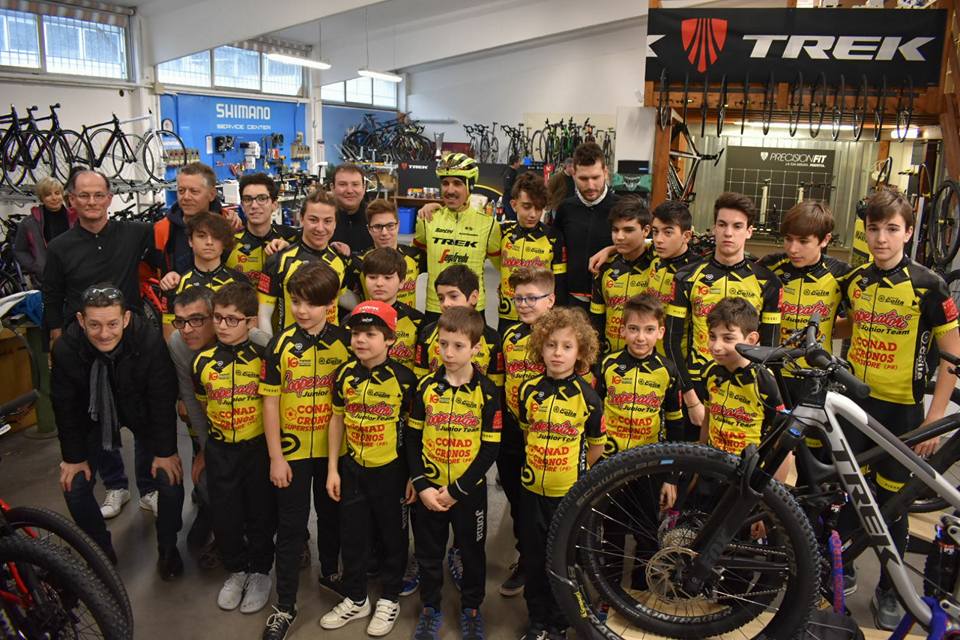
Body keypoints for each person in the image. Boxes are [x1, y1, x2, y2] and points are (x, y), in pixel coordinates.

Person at [834, 187, 960, 629]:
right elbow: (848, 324)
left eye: (892, 229)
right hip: (853, 408)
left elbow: (952, 356)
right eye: (874, 229)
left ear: (908, 232)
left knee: (894, 503)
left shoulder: (930, 285)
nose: (881, 238)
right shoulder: (855, 279)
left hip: (903, 414)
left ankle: (891, 588)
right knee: (850, 493)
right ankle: (846, 565)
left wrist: (935, 418)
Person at [43, 169, 163, 520]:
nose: (92, 201)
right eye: (84, 195)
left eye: (99, 194)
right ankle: (116, 485)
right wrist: (56, 339)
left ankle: (149, 488)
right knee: (99, 416)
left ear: (110, 198)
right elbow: (51, 295)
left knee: (142, 416)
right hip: (84, 347)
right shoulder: (60, 247)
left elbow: (174, 236)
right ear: (72, 200)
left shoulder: (136, 233)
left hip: (131, 344)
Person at [52, 284, 184, 578]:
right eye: (94, 325)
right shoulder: (66, 349)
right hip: (93, 414)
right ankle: (100, 551)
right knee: (74, 485)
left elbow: (161, 398)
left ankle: (168, 548)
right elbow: (65, 407)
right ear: (81, 320)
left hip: (141, 410)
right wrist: (73, 458)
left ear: (126, 318)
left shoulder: (148, 340)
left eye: (112, 324)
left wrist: (165, 452)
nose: (104, 333)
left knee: (170, 477)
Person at [260, 263, 352, 640]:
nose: (301, 310)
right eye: (296, 302)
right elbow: (269, 403)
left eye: (311, 304)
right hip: (292, 453)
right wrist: (276, 457)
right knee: (291, 528)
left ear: (330, 304)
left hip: (335, 454)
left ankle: (331, 574)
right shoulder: (279, 344)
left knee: (332, 518)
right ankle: (284, 605)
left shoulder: (347, 342)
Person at [323, 301, 417, 636]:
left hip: (392, 472)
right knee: (353, 536)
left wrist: (413, 475)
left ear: (390, 339)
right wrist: (333, 469)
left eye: (370, 334)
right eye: (356, 334)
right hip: (352, 469)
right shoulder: (344, 375)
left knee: (393, 536)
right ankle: (356, 597)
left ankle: (390, 597)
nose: (360, 340)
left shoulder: (405, 380)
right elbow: (336, 420)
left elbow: (415, 433)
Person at [406, 306, 501, 640]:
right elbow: (412, 439)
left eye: (458, 346)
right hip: (430, 491)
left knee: (472, 553)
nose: (448, 353)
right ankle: (430, 608)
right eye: (443, 344)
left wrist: (458, 489)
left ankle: (471, 608)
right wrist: (422, 485)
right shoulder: (424, 387)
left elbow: (490, 449)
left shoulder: (488, 392)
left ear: (476, 348)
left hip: (468, 492)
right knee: (428, 553)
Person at [516, 307, 604, 640]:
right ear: (540, 347)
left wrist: (574, 475)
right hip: (531, 492)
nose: (557, 353)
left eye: (567, 346)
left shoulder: (589, 397)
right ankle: (537, 621)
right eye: (551, 345)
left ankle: (559, 623)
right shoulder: (528, 390)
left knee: (563, 561)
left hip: (566, 496)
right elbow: (527, 432)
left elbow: (596, 446)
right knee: (533, 558)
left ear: (580, 352)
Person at [665, 192, 782, 436]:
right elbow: (672, 341)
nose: (728, 233)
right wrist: (690, 399)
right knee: (691, 456)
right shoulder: (687, 276)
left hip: (746, 387)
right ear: (714, 228)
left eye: (737, 226)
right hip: (697, 384)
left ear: (749, 231)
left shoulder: (767, 281)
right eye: (722, 224)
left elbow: (770, 347)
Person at [166, 286, 270, 555]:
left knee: (263, 493)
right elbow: (192, 401)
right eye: (180, 321)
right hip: (217, 429)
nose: (187, 330)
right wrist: (206, 449)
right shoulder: (179, 343)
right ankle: (213, 515)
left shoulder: (259, 343)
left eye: (197, 320)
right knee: (207, 478)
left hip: (256, 437)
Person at [193, 282, 276, 614]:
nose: (223, 326)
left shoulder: (264, 358)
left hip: (256, 449)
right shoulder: (201, 361)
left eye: (232, 319)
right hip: (220, 449)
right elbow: (204, 404)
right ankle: (237, 569)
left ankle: (260, 572)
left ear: (251, 322)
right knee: (225, 514)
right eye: (218, 318)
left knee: (260, 512)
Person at [595, 294, 687, 590]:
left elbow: (676, 426)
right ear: (622, 329)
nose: (640, 337)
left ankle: (639, 591)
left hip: (649, 466)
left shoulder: (668, 371)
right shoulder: (607, 365)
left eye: (649, 330)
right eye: (633, 329)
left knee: (647, 532)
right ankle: (608, 591)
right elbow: (592, 420)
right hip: (611, 464)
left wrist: (671, 477)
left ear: (660, 332)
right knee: (611, 532)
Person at [757, 201, 851, 408]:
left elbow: (855, 325)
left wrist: (820, 332)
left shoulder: (842, 274)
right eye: (788, 239)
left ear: (825, 240)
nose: (793, 249)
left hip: (815, 375)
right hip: (773, 373)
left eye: (803, 241)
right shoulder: (769, 266)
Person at [499, 267, 557, 598]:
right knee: (518, 499)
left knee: (546, 507)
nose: (523, 305)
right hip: (512, 430)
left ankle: (555, 564)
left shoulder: (562, 339)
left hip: (549, 435)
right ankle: (525, 559)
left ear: (550, 299)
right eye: (518, 298)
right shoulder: (509, 335)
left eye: (532, 298)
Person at [414, 153, 501, 324]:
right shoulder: (427, 220)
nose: (450, 190)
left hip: (473, 307)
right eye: (445, 183)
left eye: (457, 183)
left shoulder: (489, 224)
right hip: (436, 307)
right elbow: (413, 261)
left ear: (470, 186)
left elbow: (503, 266)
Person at [258, 189, 351, 335]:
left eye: (327, 221)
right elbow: (264, 315)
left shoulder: (339, 259)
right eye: (313, 220)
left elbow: (343, 296)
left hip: (332, 346)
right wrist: (273, 348)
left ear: (335, 223)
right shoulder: (279, 260)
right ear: (301, 219)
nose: (320, 228)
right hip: (291, 346)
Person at [551, 143, 618, 313]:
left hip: (613, 302)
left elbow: (645, 244)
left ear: (605, 173)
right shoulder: (565, 209)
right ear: (573, 174)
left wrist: (612, 249)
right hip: (572, 302)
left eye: (595, 177)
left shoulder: (623, 208)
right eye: (583, 178)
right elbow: (557, 253)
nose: (590, 185)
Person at [414, 265, 505, 388]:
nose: (446, 303)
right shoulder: (428, 333)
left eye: (453, 296)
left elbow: (496, 387)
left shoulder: (491, 339)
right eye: (441, 298)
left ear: (473, 297)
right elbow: (420, 382)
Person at [497, 172, 566, 331]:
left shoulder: (553, 236)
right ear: (514, 205)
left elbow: (559, 281)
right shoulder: (502, 232)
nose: (533, 214)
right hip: (507, 314)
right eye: (527, 206)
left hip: (540, 316)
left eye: (538, 208)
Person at [161, 212, 246, 338]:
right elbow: (171, 337)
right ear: (190, 241)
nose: (209, 242)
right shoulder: (175, 284)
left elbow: (250, 326)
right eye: (201, 236)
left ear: (224, 243)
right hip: (190, 348)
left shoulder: (240, 282)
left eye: (216, 237)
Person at [590, 196, 655, 354]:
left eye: (628, 230)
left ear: (646, 230)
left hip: (649, 357)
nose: (619, 237)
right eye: (615, 230)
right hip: (611, 356)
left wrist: (610, 248)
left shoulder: (658, 263)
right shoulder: (604, 266)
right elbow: (596, 319)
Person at [154, 162, 239, 275]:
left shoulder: (230, 224)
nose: (186, 197)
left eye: (194, 191)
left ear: (212, 194)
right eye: (181, 191)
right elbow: (151, 273)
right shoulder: (162, 230)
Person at [226, 173, 300, 287]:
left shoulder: (291, 237)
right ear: (242, 206)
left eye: (262, 198)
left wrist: (288, 252)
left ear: (274, 205)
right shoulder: (228, 243)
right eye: (247, 199)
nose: (254, 205)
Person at [644, 200, 698, 353]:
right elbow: (631, 244)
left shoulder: (698, 270)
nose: (658, 239)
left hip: (681, 357)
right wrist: (608, 250)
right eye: (655, 232)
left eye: (668, 232)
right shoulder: (653, 255)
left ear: (686, 236)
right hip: (649, 353)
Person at [354, 198, 426, 309]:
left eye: (390, 225)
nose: (384, 232)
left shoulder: (415, 255)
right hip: (373, 319)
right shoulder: (359, 260)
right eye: (377, 227)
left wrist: (434, 206)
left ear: (398, 225)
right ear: (369, 229)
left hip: (408, 320)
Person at [361, 247, 423, 372]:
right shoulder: (352, 320)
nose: (379, 283)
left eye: (387, 277)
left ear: (401, 282)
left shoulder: (417, 321)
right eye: (372, 277)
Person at [14, 176, 77, 286]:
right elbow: (20, 250)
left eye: (57, 193)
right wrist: (36, 267)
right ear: (41, 198)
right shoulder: (29, 223)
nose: (54, 198)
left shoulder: (76, 218)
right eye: (48, 195)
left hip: (76, 277)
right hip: (46, 281)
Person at [330, 164, 374, 255]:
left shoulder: (374, 218)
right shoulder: (321, 220)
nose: (349, 190)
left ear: (364, 188)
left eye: (355, 184)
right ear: (332, 188)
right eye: (342, 184)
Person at [501, 155, 521, 221]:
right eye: (519, 162)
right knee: (513, 218)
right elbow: (507, 186)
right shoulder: (508, 172)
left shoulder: (515, 172)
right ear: (515, 163)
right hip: (508, 199)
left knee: (513, 218)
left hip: (513, 199)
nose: (520, 163)